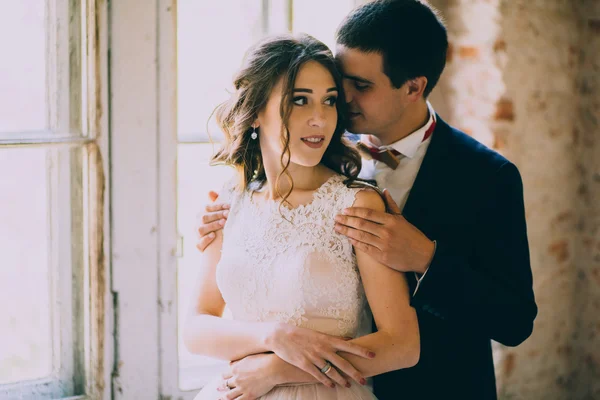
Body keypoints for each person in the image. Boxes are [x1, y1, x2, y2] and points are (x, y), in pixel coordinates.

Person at [195, 1, 538, 399]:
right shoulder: (313, 145)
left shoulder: (486, 177)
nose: (340, 97)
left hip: (435, 387)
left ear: (413, 87)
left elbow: (514, 320)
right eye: (340, 80)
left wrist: (427, 259)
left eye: (361, 86)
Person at [184, 33, 420, 400]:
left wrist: (278, 369)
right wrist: (273, 336)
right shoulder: (229, 202)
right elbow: (196, 330)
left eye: (329, 101)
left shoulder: (356, 205)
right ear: (256, 112)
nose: (320, 119)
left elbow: (402, 345)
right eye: (299, 101)